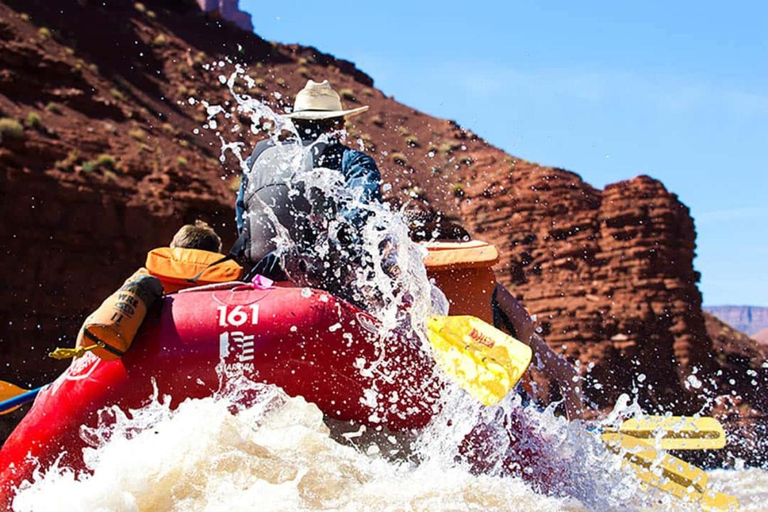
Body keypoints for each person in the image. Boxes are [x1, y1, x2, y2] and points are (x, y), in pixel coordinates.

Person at [412, 211, 588, 420]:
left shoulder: (409, 282)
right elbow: (525, 325)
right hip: (497, 397)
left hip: (435, 395)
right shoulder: (486, 284)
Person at [235, 79, 382, 306]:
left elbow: (243, 222)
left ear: (296, 123)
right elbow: (362, 216)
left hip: (261, 281)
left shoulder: (255, 161)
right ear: (338, 126)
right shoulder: (352, 162)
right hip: (322, 286)